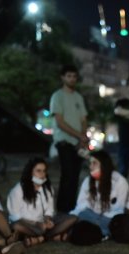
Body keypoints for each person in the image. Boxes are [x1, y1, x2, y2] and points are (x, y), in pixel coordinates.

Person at [6, 157, 77, 245]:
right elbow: (15, 217)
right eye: (38, 171)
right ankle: (49, 235)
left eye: (44, 171)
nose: (42, 174)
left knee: (72, 218)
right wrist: (38, 224)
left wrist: (47, 220)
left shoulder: (47, 189)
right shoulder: (18, 190)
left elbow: (49, 211)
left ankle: (43, 238)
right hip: (26, 224)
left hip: (42, 223)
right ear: (30, 172)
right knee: (16, 226)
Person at [50, 65, 89, 213]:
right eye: (69, 76)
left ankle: (72, 208)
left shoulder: (78, 97)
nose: (72, 79)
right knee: (67, 175)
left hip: (78, 144)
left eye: (74, 76)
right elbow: (60, 122)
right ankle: (62, 209)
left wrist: (82, 139)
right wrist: (79, 135)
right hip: (64, 142)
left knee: (75, 176)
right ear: (63, 77)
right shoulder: (57, 96)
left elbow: (84, 120)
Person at [70, 150, 129, 239]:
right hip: (90, 215)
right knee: (80, 215)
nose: (91, 166)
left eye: (94, 163)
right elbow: (81, 204)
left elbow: (119, 209)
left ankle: (98, 231)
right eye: (90, 163)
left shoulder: (119, 181)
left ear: (104, 165)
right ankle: (101, 232)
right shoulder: (88, 180)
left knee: (118, 222)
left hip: (109, 218)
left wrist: (102, 218)